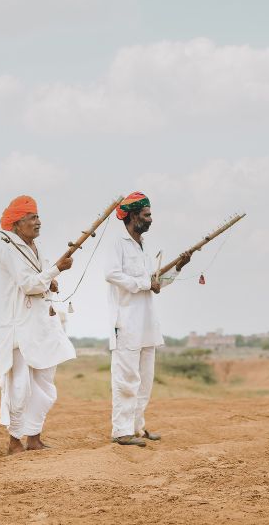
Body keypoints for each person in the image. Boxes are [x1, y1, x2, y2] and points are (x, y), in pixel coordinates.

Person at [104, 191, 191, 447]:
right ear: (132, 216)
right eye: (147, 215)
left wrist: (179, 267)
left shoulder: (145, 247)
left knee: (145, 380)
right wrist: (145, 283)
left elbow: (156, 283)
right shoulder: (117, 243)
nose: (151, 219)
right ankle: (121, 431)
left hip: (147, 324)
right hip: (126, 323)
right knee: (126, 380)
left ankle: (137, 428)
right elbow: (112, 275)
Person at [0, 195, 77, 455]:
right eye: (32, 218)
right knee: (20, 385)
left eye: (38, 217)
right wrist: (56, 271)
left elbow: (39, 279)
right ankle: (14, 442)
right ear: (17, 224)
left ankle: (33, 437)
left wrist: (51, 279)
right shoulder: (8, 250)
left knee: (45, 383)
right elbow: (29, 284)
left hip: (42, 325)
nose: (38, 222)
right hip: (20, 326)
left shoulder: (35, 248)